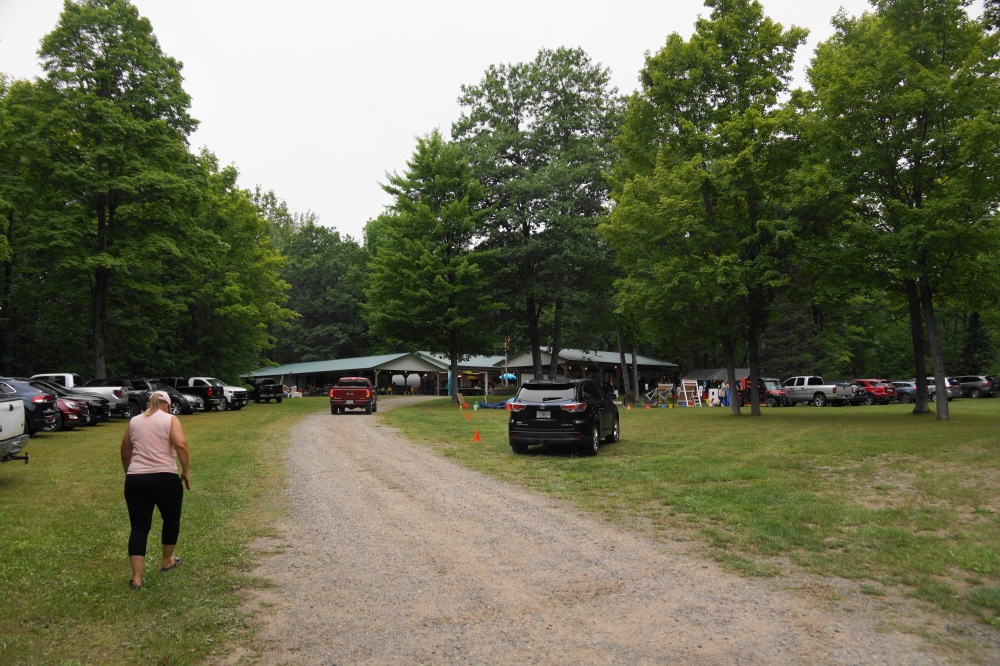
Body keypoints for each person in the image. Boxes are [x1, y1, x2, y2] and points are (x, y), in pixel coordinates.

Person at [120, 390, 191, 590]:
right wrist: (185, 471)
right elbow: (181, 445)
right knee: (170, 519)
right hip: (165, 478)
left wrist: (130, 472)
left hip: (136, 479)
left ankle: (136, 577)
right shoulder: (170, 419)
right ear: (166, 405)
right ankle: (167, 560)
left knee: (139, 527)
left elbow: (125, 450)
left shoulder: (134, 421)